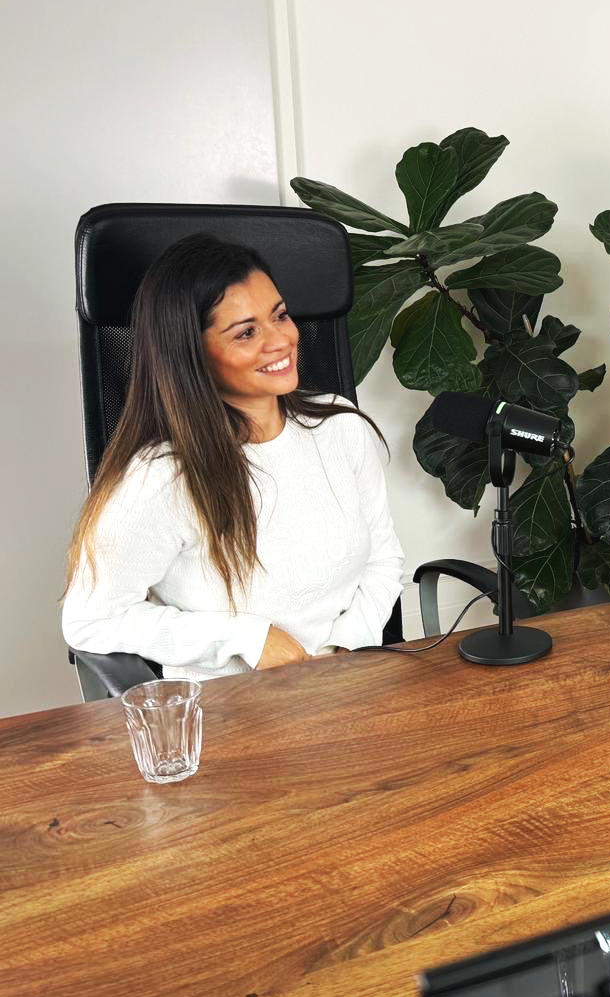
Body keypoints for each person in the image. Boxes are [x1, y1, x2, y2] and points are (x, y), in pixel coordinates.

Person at [62, 234, 404, 679]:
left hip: (348, 687)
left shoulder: (342, 426)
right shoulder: (163, 478)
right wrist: (251, 639)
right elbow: (90, 619)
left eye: (280, 315)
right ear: (192, 354)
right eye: (246, 332)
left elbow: (384, 560)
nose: (281, 340)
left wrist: (343, 650)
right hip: (232, 717)